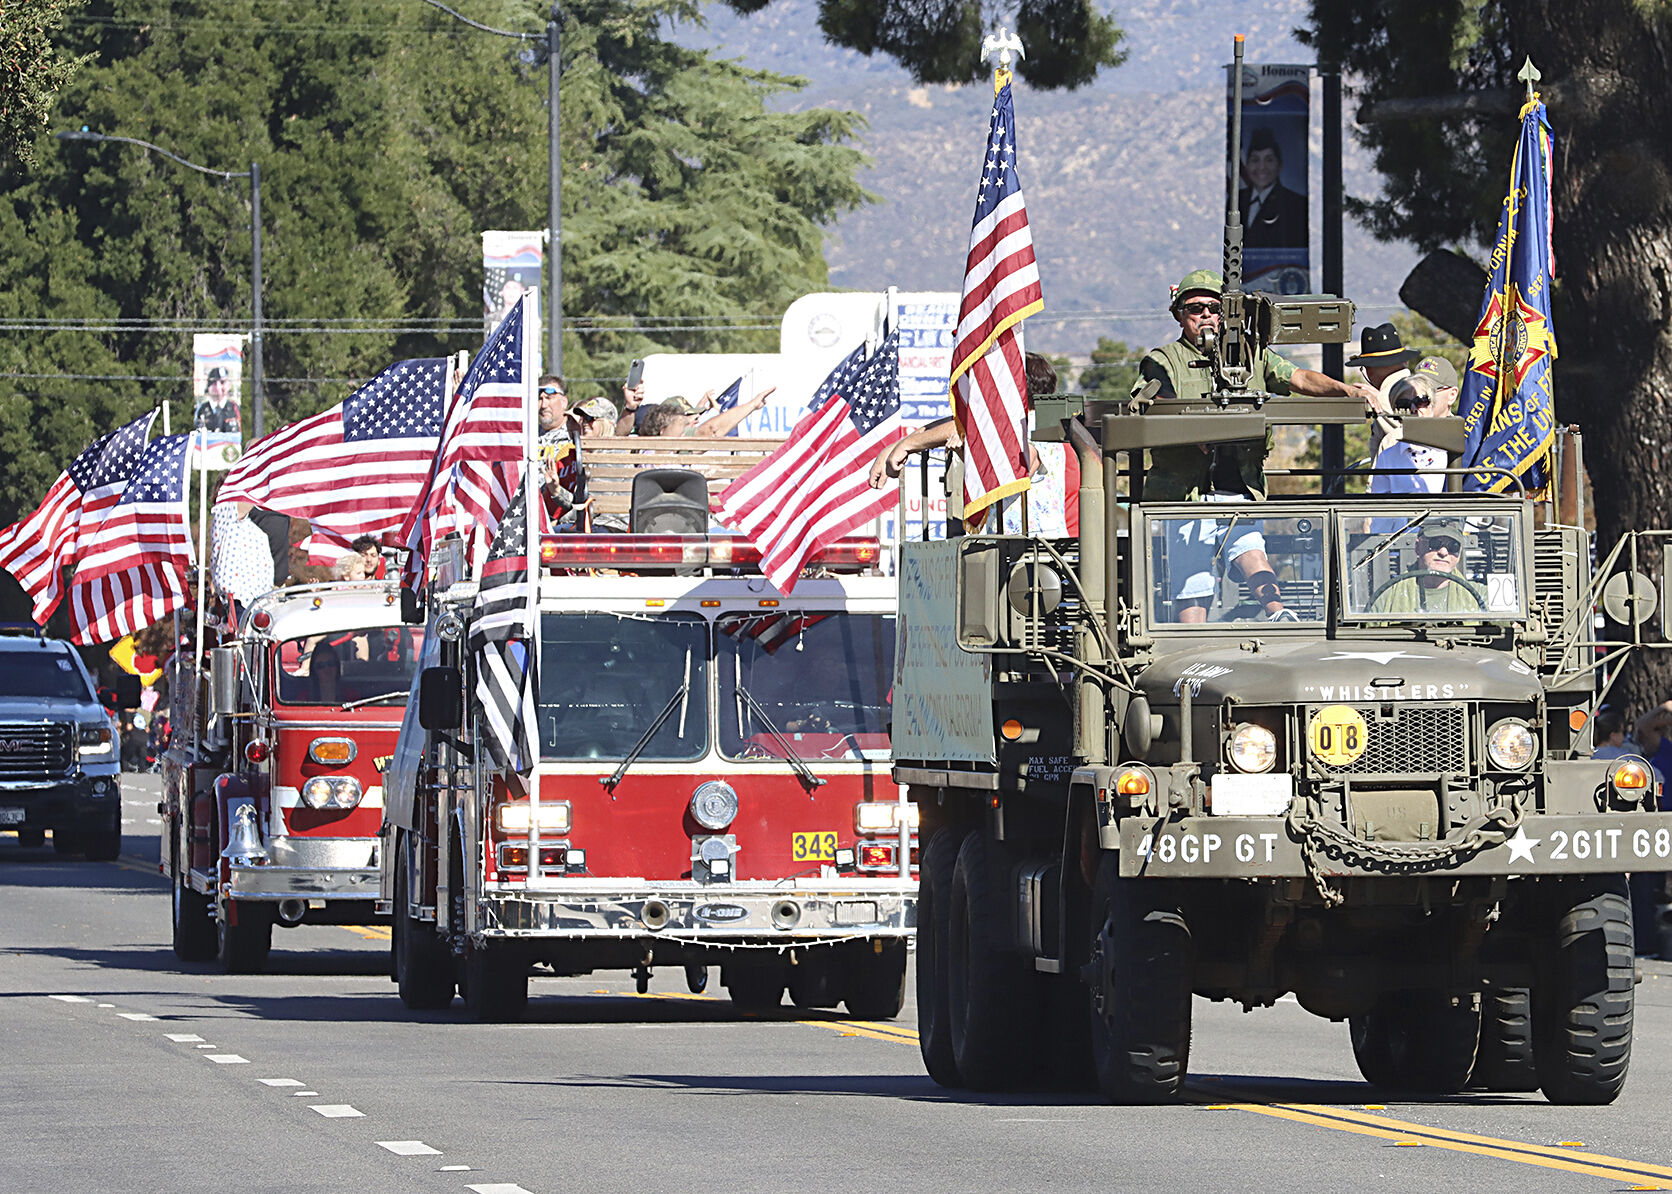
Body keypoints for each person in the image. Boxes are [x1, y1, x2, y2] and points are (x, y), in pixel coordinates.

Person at [1138, 269, 1379, 502]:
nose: (1205, 315)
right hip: (1180, 499)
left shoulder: (1252, 355)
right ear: (1179, 315)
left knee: (1254, 547)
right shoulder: (1163, 360)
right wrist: (1193, 430)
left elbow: (1300, 378)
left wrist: (1348, 391)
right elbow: (1158, 403)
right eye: (1194, 308)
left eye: (1214, 308)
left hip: (1244, 493)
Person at [1370, 357, 1461, 495]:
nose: (1413, 408)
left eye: (1423, 399)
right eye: (1404, 403)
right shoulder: (1393, 441)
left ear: (1452, 395)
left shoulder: (1466, 438)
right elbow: (1376, 500)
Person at [1368, 518, 1483, 614]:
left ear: (1460, 552)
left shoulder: (1480, 597)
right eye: (1435, 543)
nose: (1443, 552)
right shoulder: (1387, 598)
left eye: (1453, 546)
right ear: (1418, 546)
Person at [1239, 128, 1307, 250]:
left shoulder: (1296, 204)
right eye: (1255, 160)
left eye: (1269, 160)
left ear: (1279, 165)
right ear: (1247, 165)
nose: (1261, 167)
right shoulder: (1235, 201)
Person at [1346, 322, 1418, 406]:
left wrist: (1380, 401)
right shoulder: (1425, 387)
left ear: (1368, 370)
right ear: (1406, 362)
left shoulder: (1384, 401)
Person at [194, 367, 240, 434]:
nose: (218, 387)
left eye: (222, 382)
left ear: (229, 385)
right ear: (208, 387)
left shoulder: (235, 408)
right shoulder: (201, 409)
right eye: (214, 383)